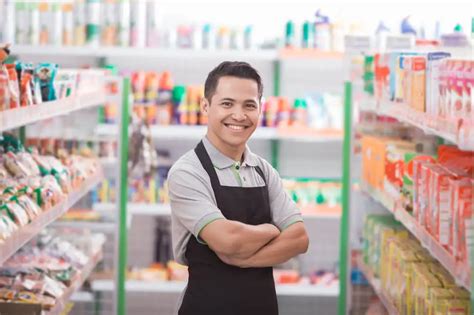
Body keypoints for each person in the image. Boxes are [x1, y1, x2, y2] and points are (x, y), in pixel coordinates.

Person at [168, 61, 309, 315]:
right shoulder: (187, 172)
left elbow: (299, 239)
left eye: (249, 105)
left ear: (259, 110)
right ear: (205, 107)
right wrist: (271, 229)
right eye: (227, 104)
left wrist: (245, 259)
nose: (239, 115)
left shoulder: (263, 171)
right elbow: (228, 240)